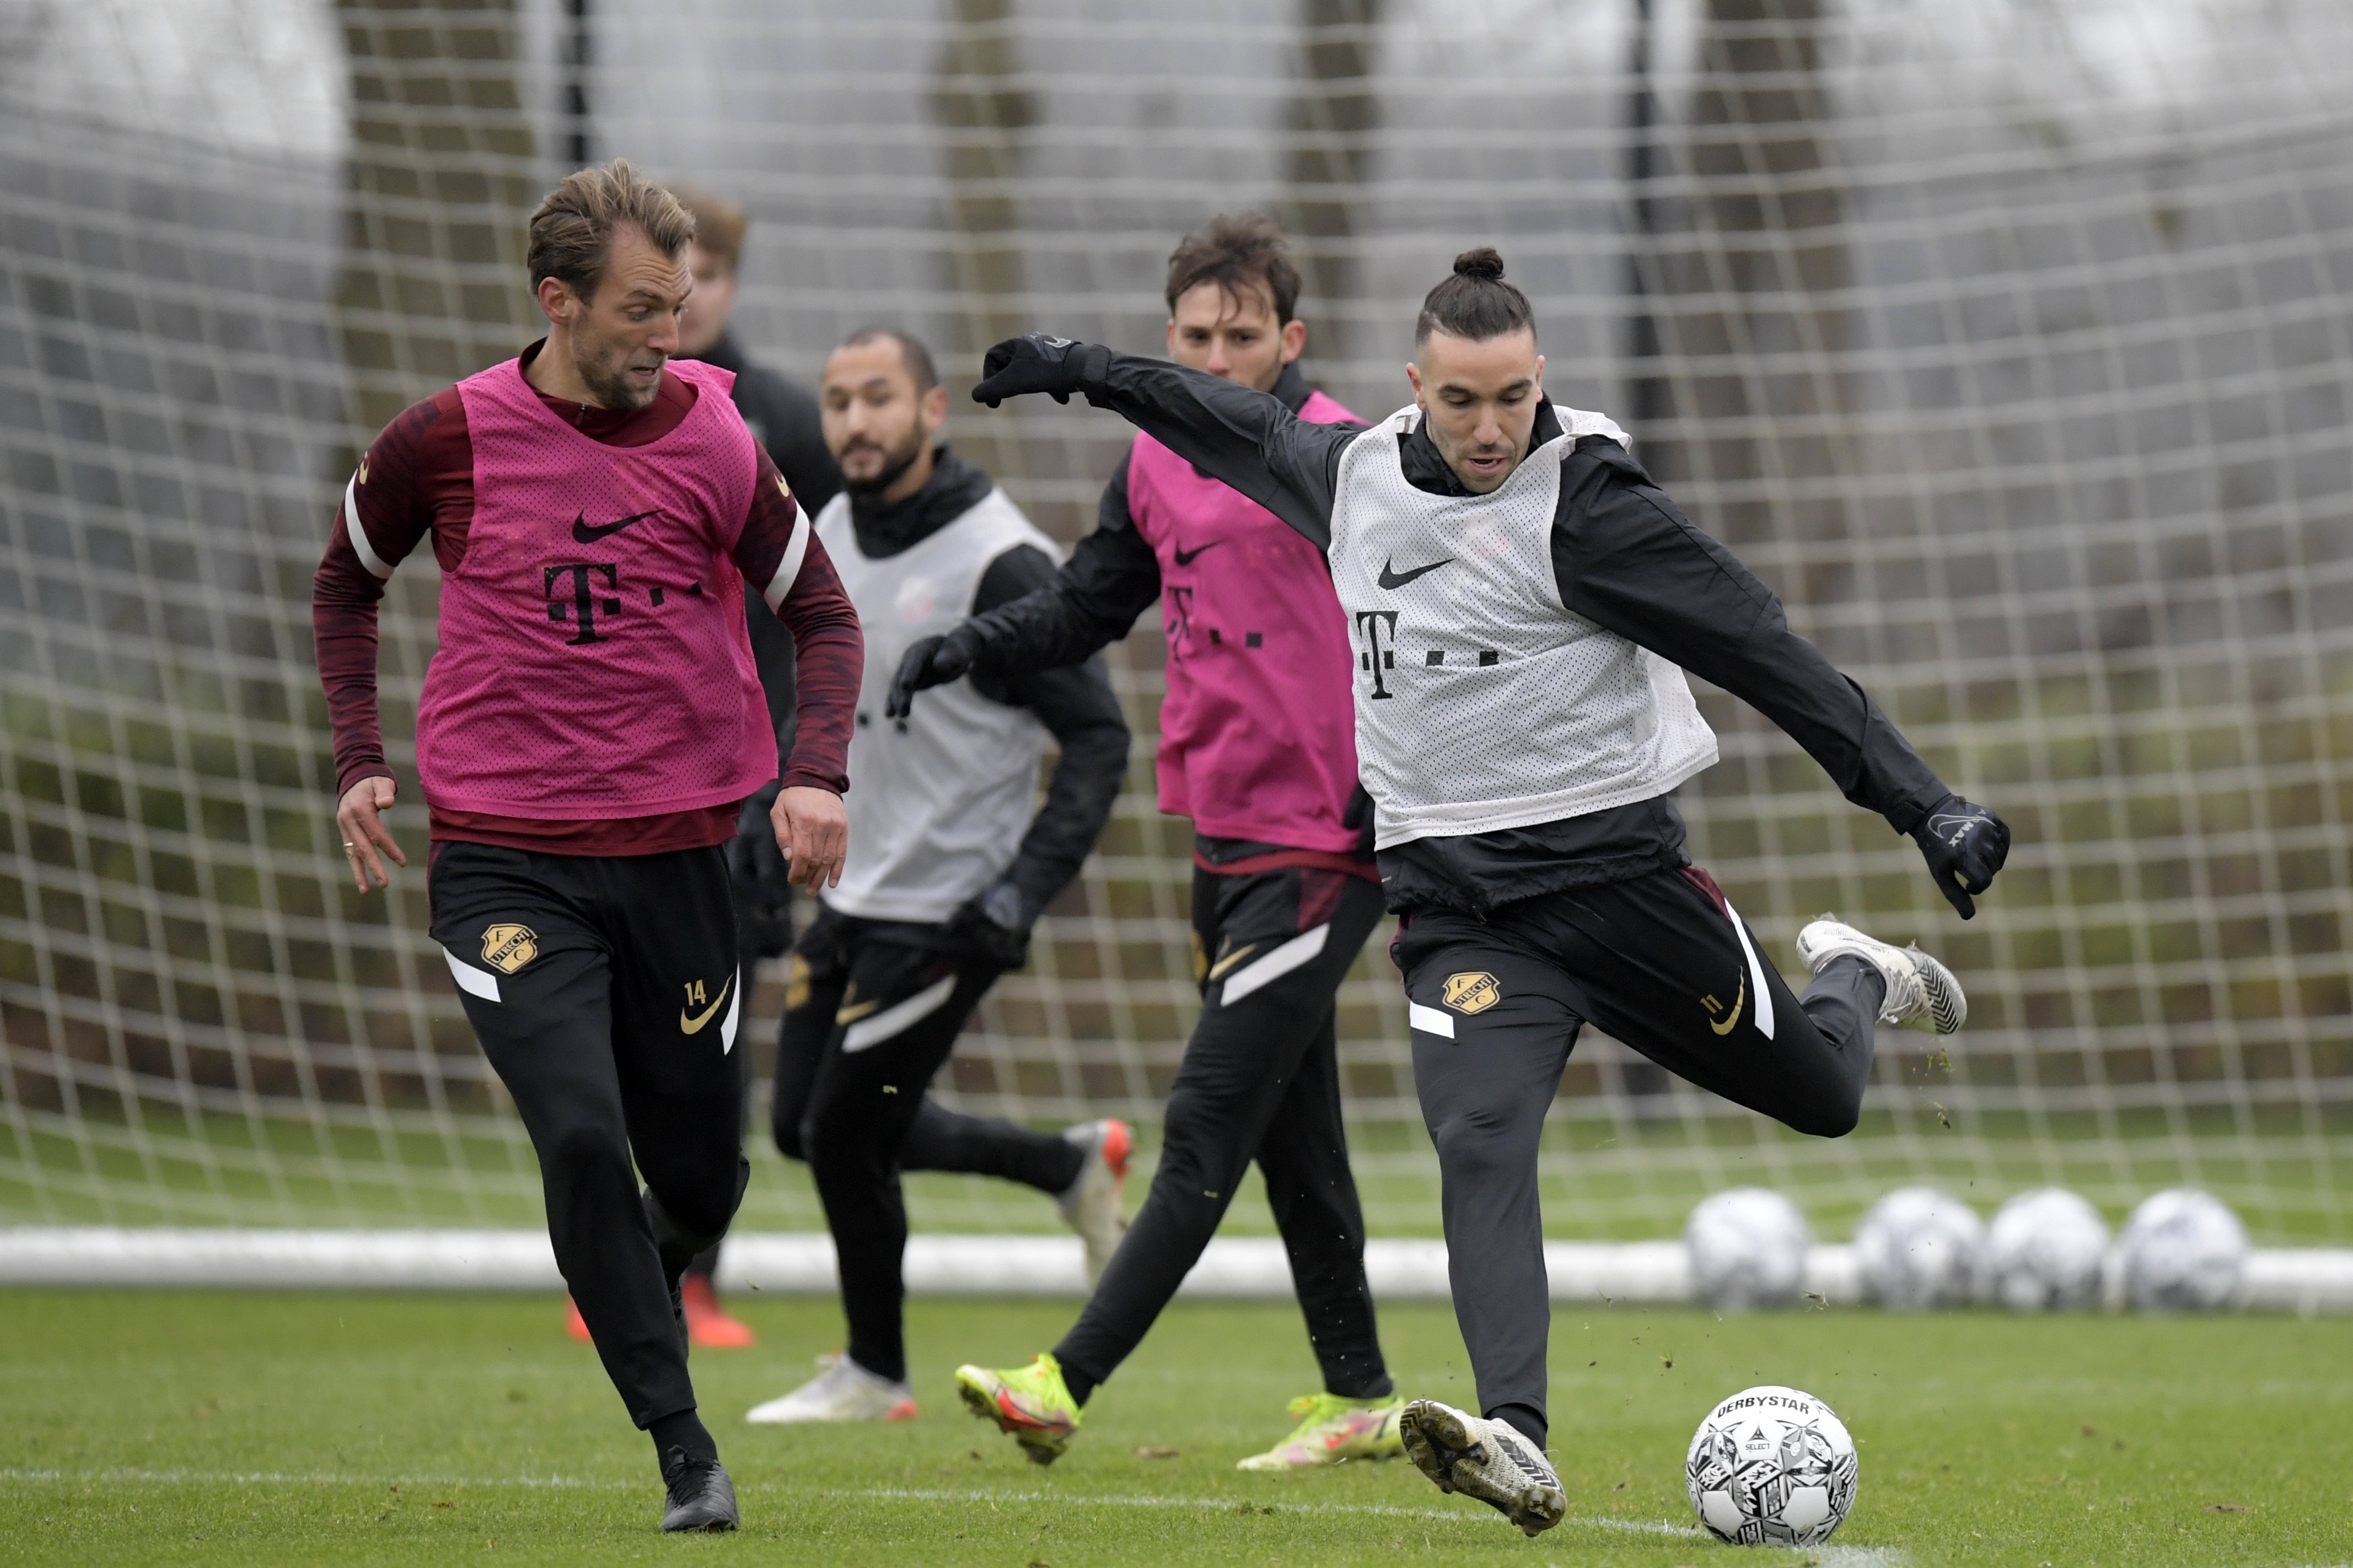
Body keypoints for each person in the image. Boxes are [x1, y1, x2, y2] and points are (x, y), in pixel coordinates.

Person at [912, 247, 2012, 1534]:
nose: (1491, 430)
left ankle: (1851, 971)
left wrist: (1919, 799)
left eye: (1512, 399)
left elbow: (1762, 651)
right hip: (1457, 915)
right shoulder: (1350, 477)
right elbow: (1212, 419)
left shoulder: (1585, 504)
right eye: (1461, 402)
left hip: (1620, 889)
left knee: (1825, 1099)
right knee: (1478, 1142)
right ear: (1410, 388)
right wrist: (1081, 370)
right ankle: (1519, 1437)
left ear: (1541, 381)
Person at [311, 160, 862, 1533]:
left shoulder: (723, 443)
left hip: (682, 864)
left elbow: (827, 619)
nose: (664, 335)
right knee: (575, 1130)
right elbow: (346, 581)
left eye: (675, 307)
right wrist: (360, 761)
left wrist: (814, 777)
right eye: (636, 310)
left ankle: (630, 1264)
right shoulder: (441, 440)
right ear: (556, 301)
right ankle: (684, 1447)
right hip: (502, 863)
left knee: (702, 1178)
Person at [890, 215, 1402, 1471]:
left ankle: (1062, 1380)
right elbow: (1080, 606)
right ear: (1169, 336)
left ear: (1290, 341)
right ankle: (1362, 1396)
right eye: (1193, 336)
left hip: (1327, 847)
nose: (1215, 356)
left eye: (1242, 336)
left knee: (1206, 1120)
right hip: (1222, 843)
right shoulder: (1150, 464)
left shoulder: (1338, 454)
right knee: (1295, 1134)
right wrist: (970, 645)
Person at [742, 326, 1133, 1425]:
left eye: (879, 398)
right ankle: (1064, 1164)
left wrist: (1019, 889)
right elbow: (814, 687)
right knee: (798, 1125)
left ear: (931, 412)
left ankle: (875, 1373)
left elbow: (1099, 738)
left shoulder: (995, 557)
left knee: (845, 1134)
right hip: (857, 890)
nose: (856, 422)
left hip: (952, 904)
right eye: (837, 401)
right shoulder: (827, 529)